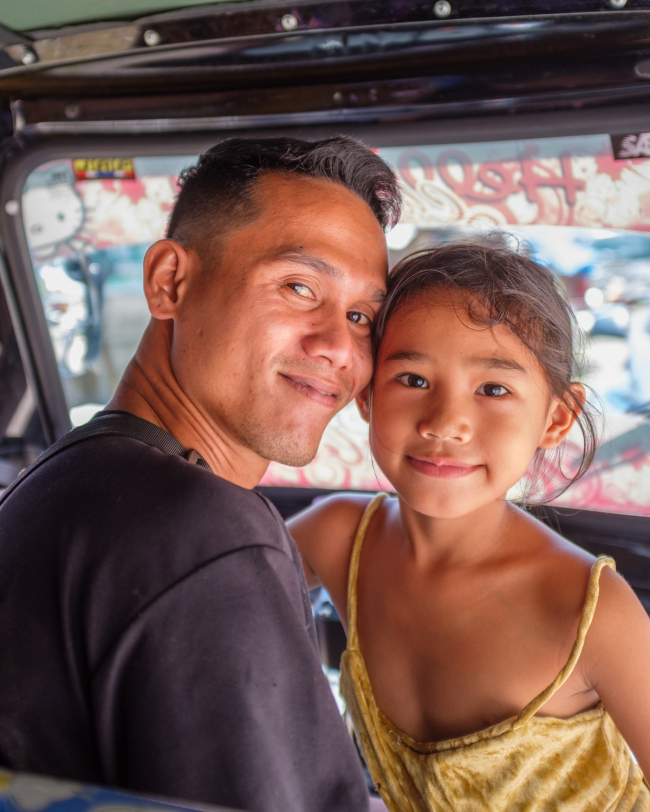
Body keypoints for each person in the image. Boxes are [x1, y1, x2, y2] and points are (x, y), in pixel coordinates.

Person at [0, 136, 402, 812]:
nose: (338, 346)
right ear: (169, 283)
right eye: (300, 287)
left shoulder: (72, 477)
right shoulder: (205, 533)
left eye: (361, 316)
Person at [289, 242, 650, 812]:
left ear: (555, 418)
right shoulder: (337, 539)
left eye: (493, 390)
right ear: (365, 395)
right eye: (411, 379)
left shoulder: (591, 611)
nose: (445, 423)